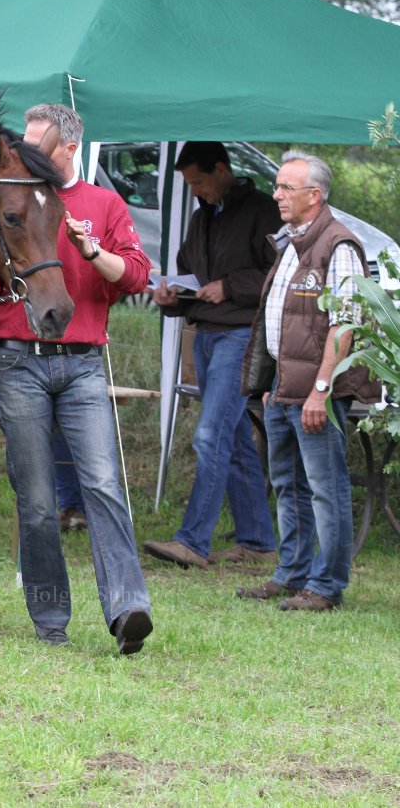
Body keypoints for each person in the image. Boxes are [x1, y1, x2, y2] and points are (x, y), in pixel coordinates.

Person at [0, 103, 153, 655]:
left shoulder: (103, 203)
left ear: (70, 147)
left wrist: (91, 250)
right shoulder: (5, 193)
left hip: (83, 365)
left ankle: (127, 609)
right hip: (19, 362)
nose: (21, 153)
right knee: (38, 500)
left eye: (36, 144)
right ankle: (50, 618)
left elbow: (138, 275)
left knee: (102, 485)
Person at [236, 151, 380, 611]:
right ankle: (291, 574)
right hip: (283, 387)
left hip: (315, 392)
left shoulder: (338, 245)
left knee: (325, 487)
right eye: (278, 186)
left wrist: (320, 390)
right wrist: (271, 379)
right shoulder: (293, 242)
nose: (276, 194)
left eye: (285, 188)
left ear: (313, 195)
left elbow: (346, 325)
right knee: (288, 483)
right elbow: (282, 322)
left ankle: (326, 585)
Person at [143, 142, 280, 569]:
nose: (196, 191)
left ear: (221, 170)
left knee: (210, 436)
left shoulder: (262, 211)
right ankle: (257, 541)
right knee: (235, 438)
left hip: (241, 336)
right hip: (205, 335)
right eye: (189, 185)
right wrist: (170, 297)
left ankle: (193, 542)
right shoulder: (202, 218)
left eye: (199, 182)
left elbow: (279, 276)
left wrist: (229, 287)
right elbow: (193, 276)